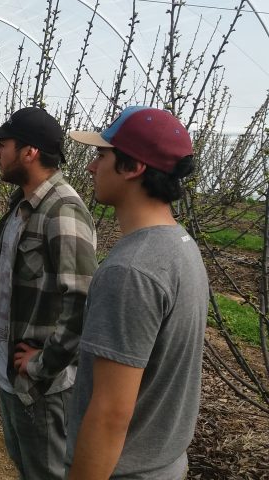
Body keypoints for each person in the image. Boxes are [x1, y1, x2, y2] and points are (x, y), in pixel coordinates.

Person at [67, 106, 208, 479]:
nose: (91, 167)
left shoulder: (131, 271)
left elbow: (110, 414)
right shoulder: (181, 246)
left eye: (101, 155)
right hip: (164, 462)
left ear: (133, 167)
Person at [0, 107, 98, 480]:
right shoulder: (22, 205)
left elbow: (82, 303)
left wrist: (42, 366)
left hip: (42, 389)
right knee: (27, 467)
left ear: (29, 152)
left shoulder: (61, 211)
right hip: (12, 375)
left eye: (4, 144)